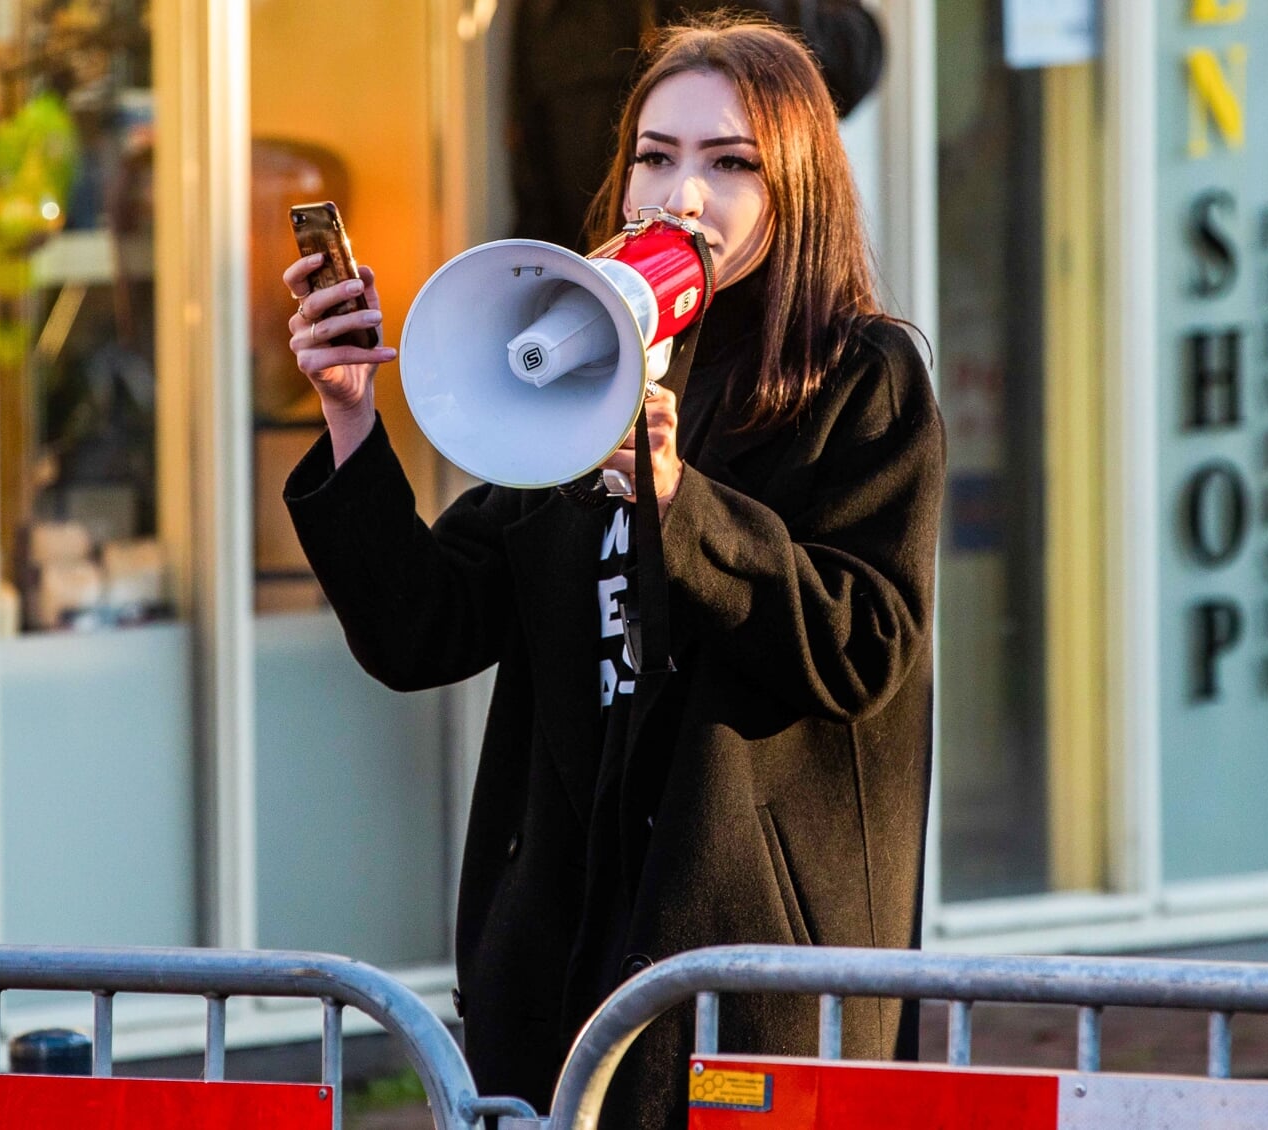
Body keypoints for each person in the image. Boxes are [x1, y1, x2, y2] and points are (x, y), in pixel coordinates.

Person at [280, 15, 943, 1127]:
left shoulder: (859, 381)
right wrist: (353, 423)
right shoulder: (579, 362)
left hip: (748, 984)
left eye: (731, 163)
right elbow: (421, 630)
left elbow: (861, 645)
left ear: (800, 190)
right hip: (560, 971)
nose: (682, 194)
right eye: (655, 155)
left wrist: (682, 500)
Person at [509, 0, 885, 249]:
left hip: (759, 305)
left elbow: (851, 69)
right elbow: (532, 172)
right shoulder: (553, 12)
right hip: (605, 299)